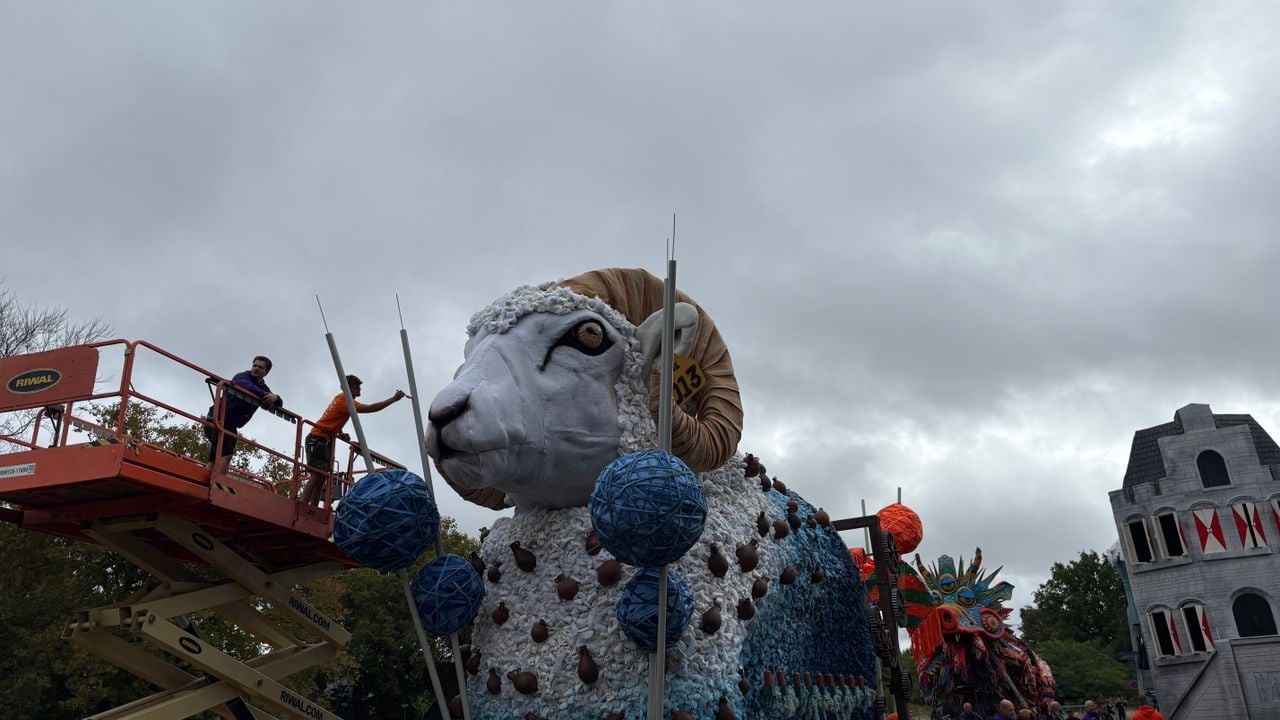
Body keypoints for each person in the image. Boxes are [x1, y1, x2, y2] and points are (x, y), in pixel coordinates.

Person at [301, 375, 405, 505]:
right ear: (347, 388)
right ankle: (303, 505)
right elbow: (370, 408)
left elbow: (332, 417)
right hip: (318, 439)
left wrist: (340, 432)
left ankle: (312, 508)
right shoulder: (345, 401)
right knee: (317, 475)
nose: (359, 389)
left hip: (322, 438)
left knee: (321, 477)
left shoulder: (340, 398)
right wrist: (393, 399)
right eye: (356, 387)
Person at [204, 356, 281, 476]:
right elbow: (244, 385)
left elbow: (279, 403)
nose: (256, 369)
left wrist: (276, 397)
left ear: (266, 372)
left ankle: (205, 477)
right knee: (226, 453)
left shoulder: (263, 387)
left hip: (230, 424)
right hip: (216, 418)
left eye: (260, 367)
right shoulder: (242, 377)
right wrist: (265, 396)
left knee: (215, 456)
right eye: (254, 365)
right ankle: (218, 482)